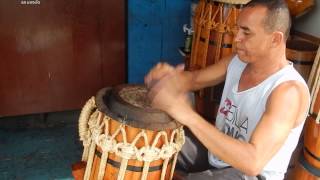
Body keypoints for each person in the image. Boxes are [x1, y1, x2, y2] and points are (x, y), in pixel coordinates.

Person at [144, 0, 310, 179]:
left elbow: (253, 162)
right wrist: (167, 79)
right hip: (217, 156)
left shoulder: (288, 92)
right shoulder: (236, 62)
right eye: (238, 29)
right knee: (156, 144)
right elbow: (193, 80)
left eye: (246, 32)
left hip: (251, 175)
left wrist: (186, 114)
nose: (236, 37)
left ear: (275, 39)